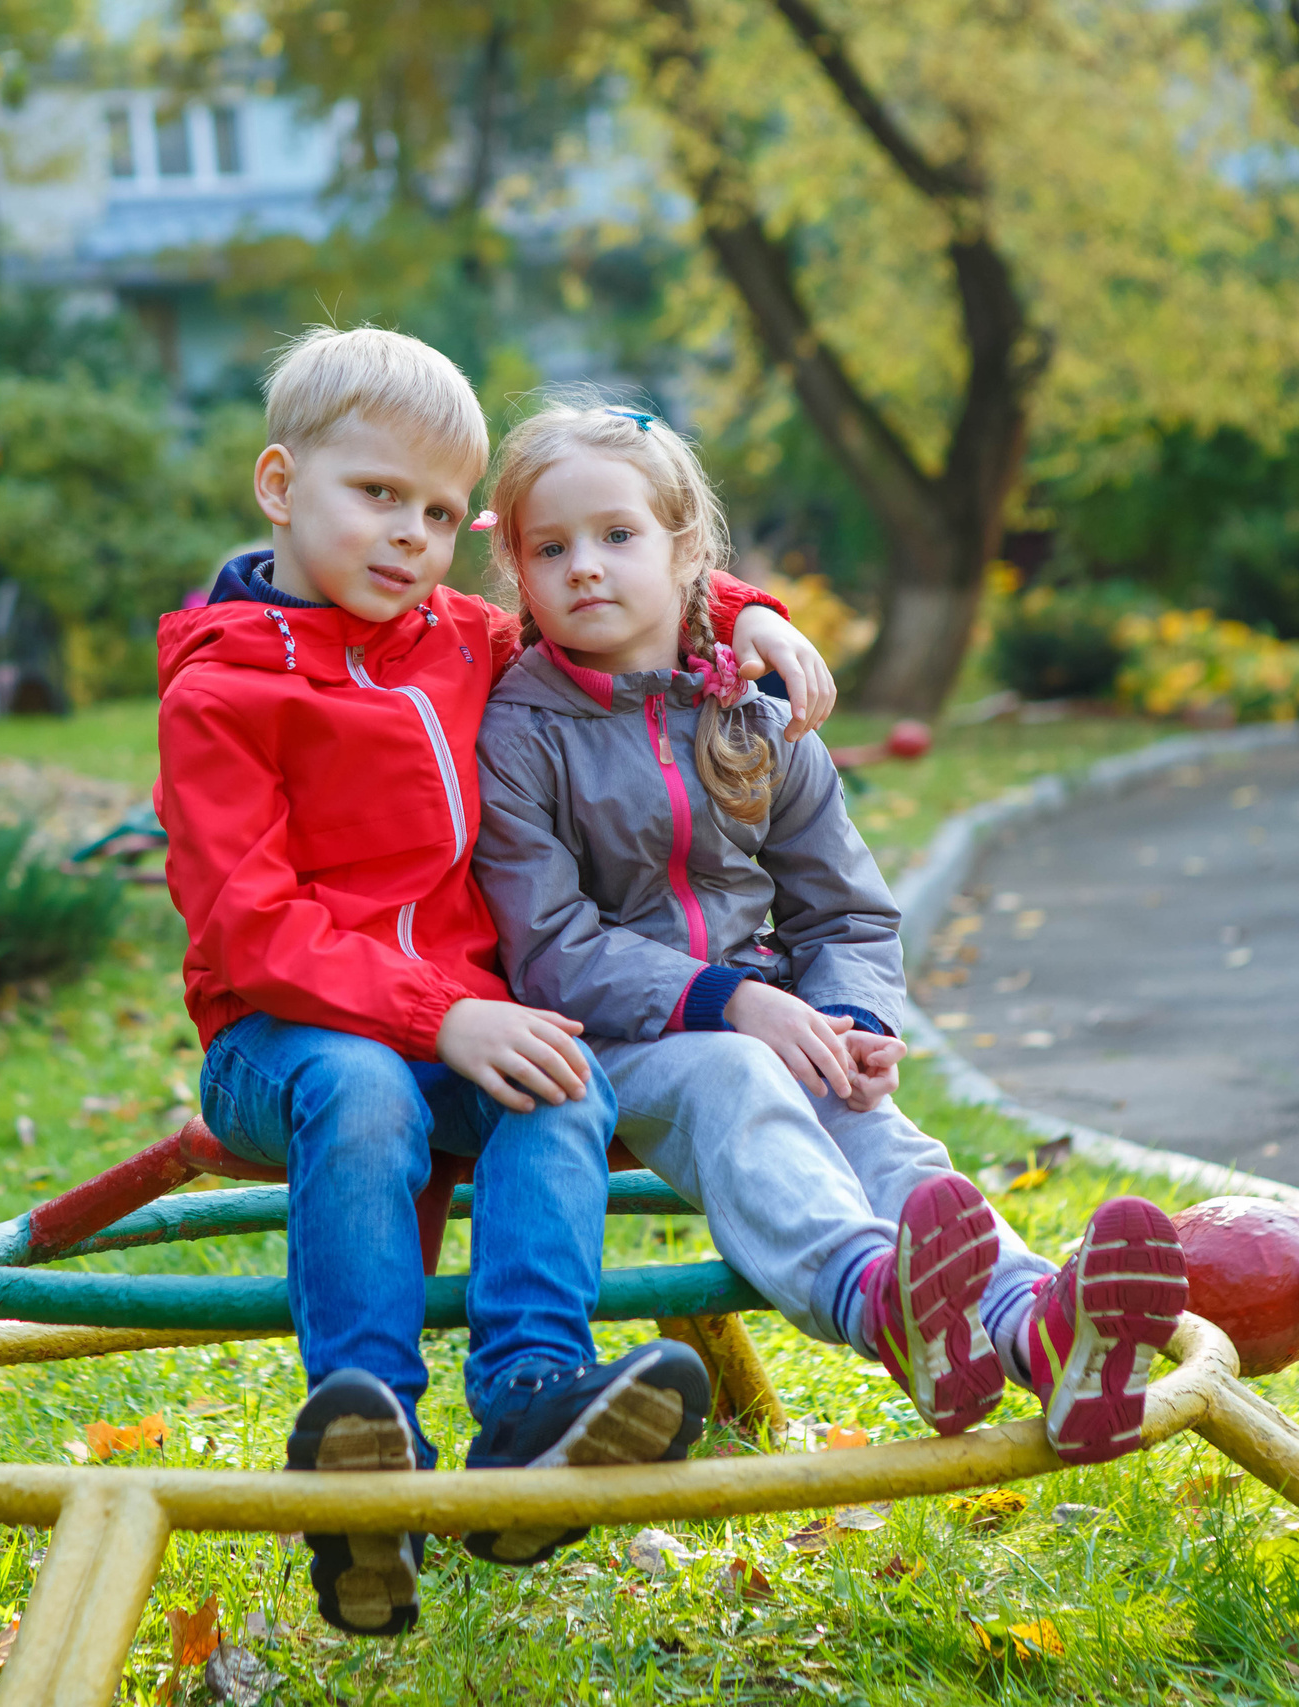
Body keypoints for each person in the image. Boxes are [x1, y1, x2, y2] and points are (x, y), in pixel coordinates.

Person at [153, 329, 835, 1636]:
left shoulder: (462, 638)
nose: (411, 534)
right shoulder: (223, 689)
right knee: (362, 1092)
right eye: (376, 496)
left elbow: (625, 575)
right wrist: (440, 1011)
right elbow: (251, 926)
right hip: (278, 1040)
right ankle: (367, 1445)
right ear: (280, 485)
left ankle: (533, 1406)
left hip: (460, 1026)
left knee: (563, 1082)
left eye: (438, 512)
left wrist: (748, 612)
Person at [470, 399, 1191, 1468]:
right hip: (611, 1039)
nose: (583, 566)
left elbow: (845, 909)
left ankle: (1034, 1327)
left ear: (687, 554)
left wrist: (848, 1019)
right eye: (550, 547)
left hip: (772, 1014)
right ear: (518, 575)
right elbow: (552, 944)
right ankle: (871, 1295)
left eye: (616, 535)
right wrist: (733, 1004)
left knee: (881, 1130)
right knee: (738, 1084)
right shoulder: (518, 730)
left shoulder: (753, 716)